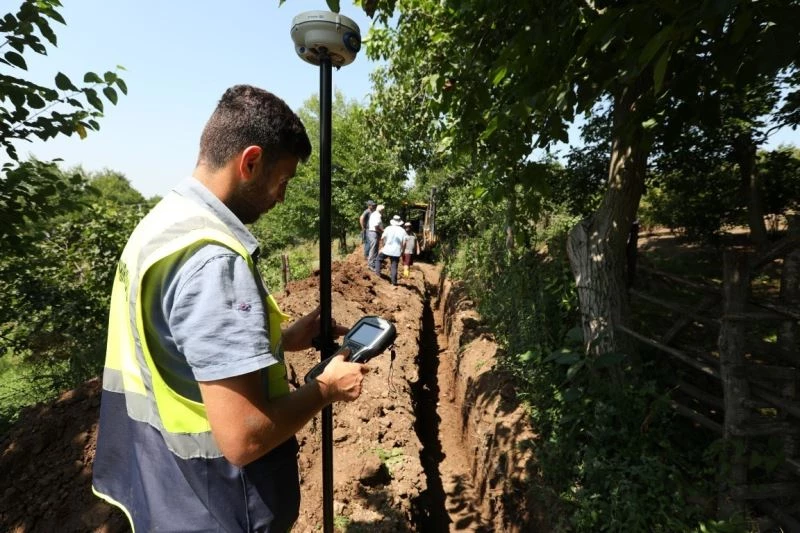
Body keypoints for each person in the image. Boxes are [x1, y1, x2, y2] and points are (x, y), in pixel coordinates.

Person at [92, 85, 369, 533]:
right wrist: (325, 388)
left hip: (165, 489)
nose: (281, 197)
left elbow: (174, 344)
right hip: (218, 504)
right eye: (283, 181)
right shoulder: (213, 260)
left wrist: (280, 339)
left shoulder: (161, 226)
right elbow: (245, 437)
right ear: (250, 162)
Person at [376, 214, 407, 285]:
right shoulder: (403, 231)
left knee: (378, 259)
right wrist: (402, 251)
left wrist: (382, 247)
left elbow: (382, 238)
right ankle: (394, 282)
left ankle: (377, 274)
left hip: (387, 249)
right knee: (394, 266)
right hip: (396, 251)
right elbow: (404, 242)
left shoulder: (388, 228)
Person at [366, 204, 384, 273]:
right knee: (373, 248)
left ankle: (374, 264)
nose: (383, 212)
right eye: (383, 210)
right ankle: (371, 264)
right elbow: (376, 226)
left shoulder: (374, 214)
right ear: (381, 210)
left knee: (375, 248)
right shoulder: (377, 215)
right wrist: (382, 231)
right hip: (374, 232)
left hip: (373, 232)